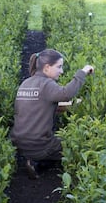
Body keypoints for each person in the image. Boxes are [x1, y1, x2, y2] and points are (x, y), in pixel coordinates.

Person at [10, 48, 94, 179]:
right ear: (47, 68)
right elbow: (66, 94)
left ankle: (32, 159)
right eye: (59, 67)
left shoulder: (26, 83)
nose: (62, 71)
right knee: (75, 148)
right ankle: (37, 163)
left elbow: (39, 107)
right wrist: (83, 72)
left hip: (19, 143)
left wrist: (66, 107)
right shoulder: (46, 84)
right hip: (39, 145)